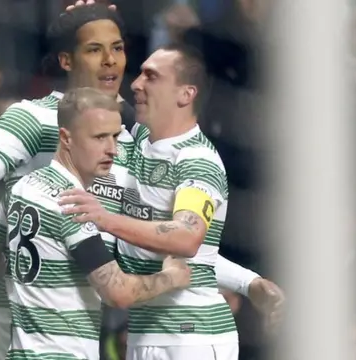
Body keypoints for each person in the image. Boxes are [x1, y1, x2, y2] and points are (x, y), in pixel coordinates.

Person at [0, 3, 282, 360]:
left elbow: (164, 243)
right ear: (67, 60)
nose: (111, 61)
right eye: (94, 49)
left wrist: (247, 282)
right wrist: (31, 277)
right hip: (18, 323)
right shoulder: (31, 116)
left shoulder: (130, 140)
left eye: (117, 48)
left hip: (89, 331)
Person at [60, 43, 278, 360]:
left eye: (151, 77)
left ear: (185, 94)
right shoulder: (135, 142)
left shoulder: (197, 160)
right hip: (144, 331)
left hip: (192, 336)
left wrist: (103, 218)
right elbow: (198, 260)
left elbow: (186, 239)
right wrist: (249, 283)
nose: (136, 83)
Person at [0, 87, 192, 360]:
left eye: (115, 136)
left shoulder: (21, 188)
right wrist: (172, 277)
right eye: (99, 137)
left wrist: (32, 286)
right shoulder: (74, 205)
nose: (112, 149)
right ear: (66, 138)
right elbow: (118, 293)